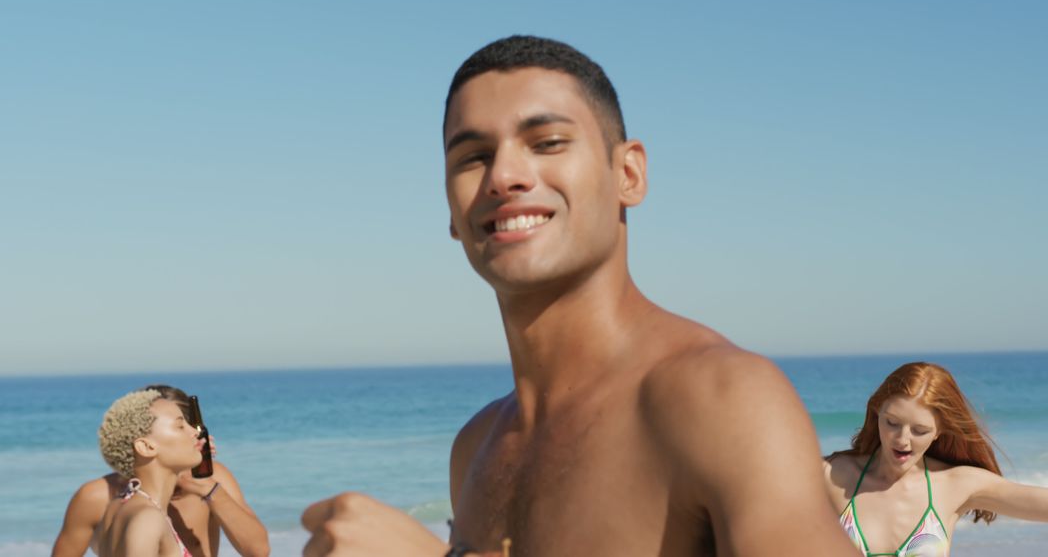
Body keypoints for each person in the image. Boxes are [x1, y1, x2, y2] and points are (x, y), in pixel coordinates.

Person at [302, 35, 859, 556]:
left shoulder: (720, 399)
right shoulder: (475, 448)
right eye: (472, 157)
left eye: (547, 143)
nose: (504, 176)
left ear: (629, 174)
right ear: (451, 212)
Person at [824, 361, 1048, 556]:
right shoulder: (833, 475)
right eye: (892, 423)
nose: (902, 439)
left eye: (919, 430)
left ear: (939, 430)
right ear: (876, 413)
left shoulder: (955, 485)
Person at [53, 385, 269, 557]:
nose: (197, 434)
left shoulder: (125, 502)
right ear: (146, 445)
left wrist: (204, 485)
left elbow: (258, 551)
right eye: (179, 426)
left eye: (189, 424)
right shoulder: (107, 501)